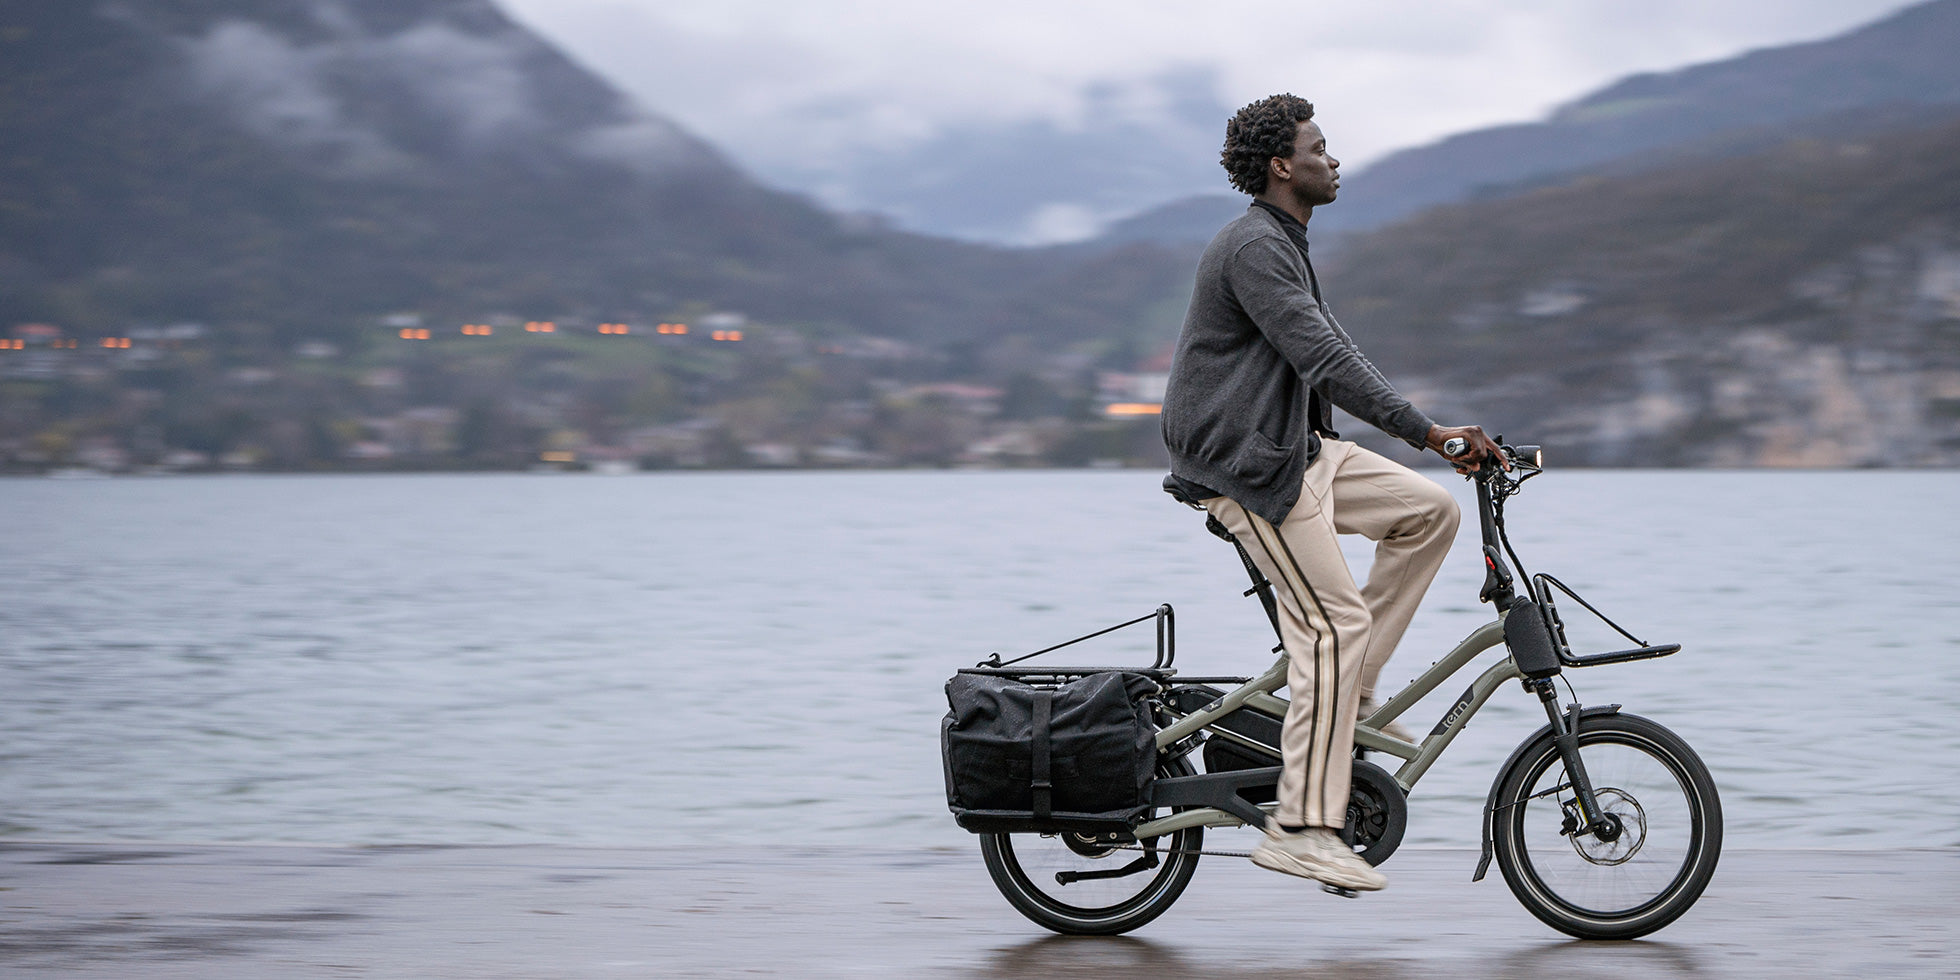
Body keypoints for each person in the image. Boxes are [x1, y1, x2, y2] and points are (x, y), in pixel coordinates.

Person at [1159, 93, 1504, 892]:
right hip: (1245, 466)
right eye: (1320, 147)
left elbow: (1333, 347)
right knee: (1332, 626)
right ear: (1284, 166)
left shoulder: (1283, 242)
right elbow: (1324, 359)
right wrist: (1429, 433)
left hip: (1296, 449)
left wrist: (1439, 441)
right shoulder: (1252, 245)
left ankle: (1352, 705)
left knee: (1429, 512)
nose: (1333, 158)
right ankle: (1302, 826)